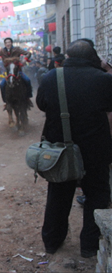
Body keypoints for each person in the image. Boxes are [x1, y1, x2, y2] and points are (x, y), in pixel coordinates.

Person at [36, 39, 112, 258]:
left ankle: (52, 242)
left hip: (59, 151)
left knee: (58, 195)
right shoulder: (103, 80)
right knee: (97, 195)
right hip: (95, 151)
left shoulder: (51, 77)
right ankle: (89, 246)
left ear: (67, 57)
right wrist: (107, 69)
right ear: (93, 57)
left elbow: (42, 104)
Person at [0, 37, 33, 107]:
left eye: (9, 42)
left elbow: (28, 53)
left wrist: (24, 60)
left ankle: (28, 97)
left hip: (18, 71)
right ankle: (6, 101)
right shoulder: (2, 51)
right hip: (8, 73)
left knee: (27, 80)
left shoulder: (17, 49)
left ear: (11, 43)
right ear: (5, 44)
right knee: (2, 85)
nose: (8, 44)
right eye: (6, 42)